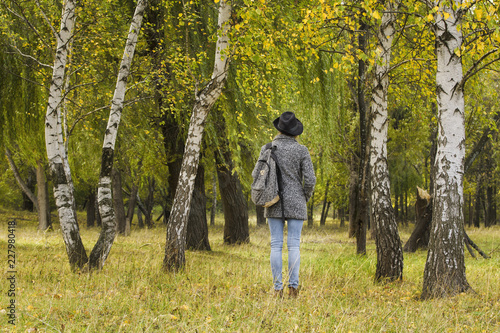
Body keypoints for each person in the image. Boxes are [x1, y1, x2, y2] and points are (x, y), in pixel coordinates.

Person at [254, 111, 316, 298]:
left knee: (275, 245)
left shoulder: (267, 148)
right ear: (295, 131)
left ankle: (277, 289)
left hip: (273, 200)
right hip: (296, 200)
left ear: (279, 129)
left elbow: (255, 175)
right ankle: (293, 288)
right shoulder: (301, 150)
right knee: (294, 245)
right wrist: (304, 196)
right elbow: (311, 179)